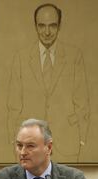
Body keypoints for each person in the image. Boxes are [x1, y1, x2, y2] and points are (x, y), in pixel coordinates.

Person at [6, 3, 89, 162]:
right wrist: (14, 141)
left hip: (68, 141)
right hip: (29, 146)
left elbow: (82, 102)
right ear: (35, 26)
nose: (47, 32)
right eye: (42, 26)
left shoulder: (74, 56)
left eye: (52, 25)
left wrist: (82, 139)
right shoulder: (21, 58)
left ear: (59, 26)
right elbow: (13, 105)